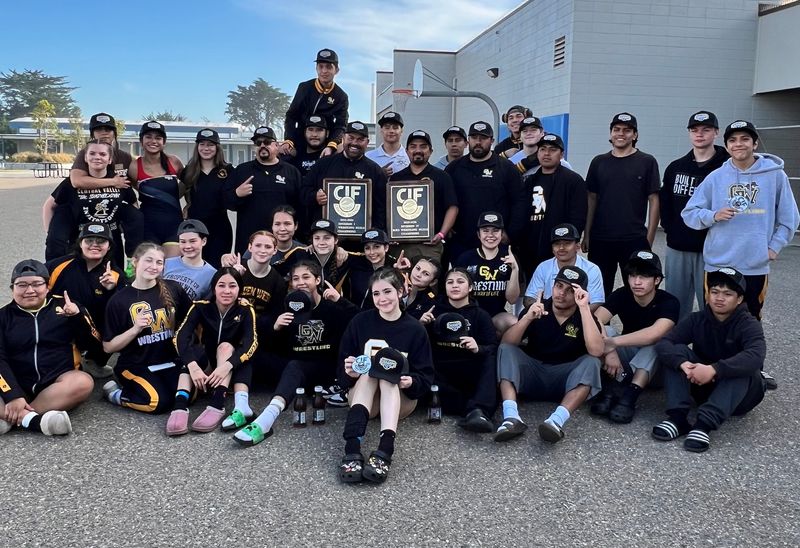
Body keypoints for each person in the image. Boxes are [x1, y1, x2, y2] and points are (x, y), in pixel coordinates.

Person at [682, 119, 800, 321]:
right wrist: (713, 216)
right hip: (718, 263)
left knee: (750, 320)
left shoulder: (775, 176)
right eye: (733, 140)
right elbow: (689, 213)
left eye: (745, 139)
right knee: (714, 319)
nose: (738, 144)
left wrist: (774, 247)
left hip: (754, 265)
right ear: (727, 146)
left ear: (755, 144)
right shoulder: (716, 177)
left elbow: (790, 218)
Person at [232, 260, 359, 445]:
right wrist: (275, 327)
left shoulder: (331, 307)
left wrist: (340, 300)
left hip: (323, 370)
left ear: (317, 280)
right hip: (292, 370)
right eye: (296, 278)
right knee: (248, 356)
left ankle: (267, 418)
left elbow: (362, 321)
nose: (301, 282)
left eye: (306, 277)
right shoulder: (288, 305)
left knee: (295, 366)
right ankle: (241, 406)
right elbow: (263, 339)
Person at [653, 268, 766, 453]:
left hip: (740, 397)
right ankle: (677, 418)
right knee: (677, 352)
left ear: (739, 299)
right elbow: (665, 343)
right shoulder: (696, 319)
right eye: (714, 292)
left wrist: (714, 369)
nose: (719, 298)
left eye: (727, 294)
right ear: (707, 295)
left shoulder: (749, 324)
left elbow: (756, 355)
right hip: (703, 387)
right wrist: (683, 364)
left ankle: (703, 425)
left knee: (746, 365)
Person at [338, 268, 434, 483]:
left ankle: (385, 448)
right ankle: (352, 447)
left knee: (387, 375)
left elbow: (426, 376)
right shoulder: (360, 322)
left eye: (387, 291)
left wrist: (411, 382)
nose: (382, 298)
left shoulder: (415, 329)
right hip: (367, 400)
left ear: (400, 291)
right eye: (376, 293)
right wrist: (349, 373)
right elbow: (342, 368)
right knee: (369, 373)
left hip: (400, 400)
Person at [495, 265, 603, 443]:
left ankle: (556, 421)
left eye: (570, 290)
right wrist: (527, 318)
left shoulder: (584, 315)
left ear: (580, 294)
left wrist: (584, 308)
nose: (562, 293)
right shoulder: (538, 308)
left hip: (565, 378)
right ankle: (511, 417)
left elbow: (597, 351)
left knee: (592, 362)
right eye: (559, 286)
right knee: (505, 350)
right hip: (534, 371)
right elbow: (507, 343)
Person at [0, 260, 97, 437]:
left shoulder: (67, 306)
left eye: (37, 284)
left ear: (47, 286)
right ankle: (33, 421)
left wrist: (77, 318)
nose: (30, 290)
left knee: (83, 382)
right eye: (22, 285)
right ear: (12, 288)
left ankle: (15, 417)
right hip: (16, 382)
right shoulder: (3, 316)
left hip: (56, 383)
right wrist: (12, 395)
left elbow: (93, 346)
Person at [101, 243, 191, 415]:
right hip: (136, 365)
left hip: (170, 361)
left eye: (159, 262)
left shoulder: (173, 288)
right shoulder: (119, 300)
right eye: (148, 260)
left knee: (187, 396)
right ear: (135, 262)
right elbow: (108, 347)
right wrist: (135, 329)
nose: (154, 266)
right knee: (157, 402)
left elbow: (192, 320)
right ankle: (115, 394)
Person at [591, 251, 679, 423]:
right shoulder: (622, 294)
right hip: (627, 361)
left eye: (644, 277)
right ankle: (613, 386)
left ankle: (630, 395)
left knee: (658, 343)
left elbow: (654, 333)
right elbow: (596, 320)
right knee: (605, 330)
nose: (637, 282)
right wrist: (610, 351)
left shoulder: (669, 301)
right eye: (633, 276)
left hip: (657, 371)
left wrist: (612, 343)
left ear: (657, 280)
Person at [170, 267, 258, 435]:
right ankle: (179, 406)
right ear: (214, 288)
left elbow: (251, 343)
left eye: (232, 286)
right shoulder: (200, 307)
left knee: (226, 347)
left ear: (239, 289)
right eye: (221, 285)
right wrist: (193, 367)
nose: (227, 291)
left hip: (230, 368)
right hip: (207, 365)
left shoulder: (245, 310)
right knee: (190, 353)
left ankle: (217, 404)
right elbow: (180, 337)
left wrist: (227, 366)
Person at [659, 111, 729, 321]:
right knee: (676, 304)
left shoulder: (727, 167)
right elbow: (665, 204)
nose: (700, 134)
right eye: (694, 130)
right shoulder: (676, 167)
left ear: (716, 132)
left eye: (706, 129)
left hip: (713, 249)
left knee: (713, 306)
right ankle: (677, 341)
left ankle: (709, 341)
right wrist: (671, 230)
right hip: (678, 246)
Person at [582, 113, 661, 296]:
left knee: (636, 291)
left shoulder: (647, 162)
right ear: (610, 133)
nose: (621, 134)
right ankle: (601, 317)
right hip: (601, 239)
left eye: (627, 130)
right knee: (598, 292)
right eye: (616, 129)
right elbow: (591, 198)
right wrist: (587, 233)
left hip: (633, 238)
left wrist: (649, 238)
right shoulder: (599, 162)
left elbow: (654, 199)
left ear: (635, 135)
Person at [44, 139, 142, 266]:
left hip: (110, 242)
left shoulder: (120, 181)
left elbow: (133, 205)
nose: (97, 157)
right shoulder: (72, 183)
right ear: (85, 157)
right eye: (92, 153)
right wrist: (51, 234)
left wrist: (128, 228)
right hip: (81, 243)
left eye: (102, 154)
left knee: (113, 277)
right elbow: (50, 206)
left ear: (110, 159)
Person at [221, 230, 287, 415]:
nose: (262, 250)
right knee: (242, 354)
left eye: (268, 246)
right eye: (258, 245)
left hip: (257, 334)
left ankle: (241, 396)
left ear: (275, 251)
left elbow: (273, 317)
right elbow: (216, 302)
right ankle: (235, 402)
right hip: (230, 332)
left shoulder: (277, 281)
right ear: (249, 247)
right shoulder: (237, 269)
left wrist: (260, 324)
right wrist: (234, 277)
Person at [46, 223, 125, 376]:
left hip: (92, 328)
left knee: (123, 321)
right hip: (59, 323)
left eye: (101, 241)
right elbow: (35, 290)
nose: (95, 245)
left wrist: (112, 290)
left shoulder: (115, 274)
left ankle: (94, 360)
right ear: (80, 243)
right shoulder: (58, 266)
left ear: (109, 246)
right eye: (89, 240)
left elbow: (124, 308)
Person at [425, 268, 498, 432]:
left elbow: (492, 346)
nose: (454, 286)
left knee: (490, 360)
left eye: (460, 282)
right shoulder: (433, 311)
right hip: (441, 370)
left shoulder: (480, 315)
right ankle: (470, 410)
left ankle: (478, 412)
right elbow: (419, 344)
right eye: (450, 282)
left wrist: (478, 348)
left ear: (470, 287)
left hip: (469, 369)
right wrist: (421, 325)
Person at [445, 122, 526, 260]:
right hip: (462, 242)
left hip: (496, 242)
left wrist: (510, 233)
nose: (478, 142)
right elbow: (443, 201)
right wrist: (447, 227)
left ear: (492, 141)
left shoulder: (506, 168)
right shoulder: (453, 169)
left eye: (483, 138)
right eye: (474, 138)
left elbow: (519, 203)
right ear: (468, 140)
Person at [517, 133, 587, 277]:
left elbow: (578, 216)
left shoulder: (573, 180)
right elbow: (522, 213)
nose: (547, 153)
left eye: (552, 150)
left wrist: (570, 242)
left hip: (561, 247)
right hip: (531, 249)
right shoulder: (530, 181)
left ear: (561, 154)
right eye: (543, 149)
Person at [225, 126, 303, 254]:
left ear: (276, 145)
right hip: (249, 243)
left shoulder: (291, 172)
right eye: (258, 143)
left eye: (267, 142)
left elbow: (300, 206)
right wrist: (237, 194)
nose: (262, 146)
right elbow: (227, 202)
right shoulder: (241, 170)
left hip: (282, 241)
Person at [302, 121, 389, 230]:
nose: (354, 143)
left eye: (360, 139)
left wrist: (375, 231)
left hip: (361, 236)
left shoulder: (375, 171)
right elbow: (303, 191)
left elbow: (381, 208)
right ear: (343, 138)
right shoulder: (323, 164)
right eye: (351, 138)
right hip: (326, 234)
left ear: (367, 142)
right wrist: (315, 196)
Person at [389, 130, 459, 263]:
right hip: (401, 245)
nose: (418, 150)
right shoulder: (396, 179)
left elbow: (452, 207)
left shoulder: (442, 177)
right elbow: (388, 210)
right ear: (407, 151)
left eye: (423, 146)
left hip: (430, 245)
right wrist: (391, 233)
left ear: (430, 151)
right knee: (399, 276)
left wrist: (441, 234)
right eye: (413, 146)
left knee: (429, 276)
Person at [453, 212, 521, 334]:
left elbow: (512, 300)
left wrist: (515, 269)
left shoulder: (508, 258)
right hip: (470, 314)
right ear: (478, 234)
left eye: (495, 230)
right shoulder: (466, 258)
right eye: (485, 231)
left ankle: (500, 346)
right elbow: (454, 293)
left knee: (515, 324)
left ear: (502, 234)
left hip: (496, 315)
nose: (490, 235)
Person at [180, 128, 234, 268]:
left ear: (217, 147)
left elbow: (233, 197)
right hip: (194, 228)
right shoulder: (188, 171)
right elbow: (177, 193)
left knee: (217, 268)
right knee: (194, 267)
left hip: (220, 228)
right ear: (197, 147)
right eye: (202, 144)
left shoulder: (228, 170)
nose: (206, 148)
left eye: (210, 145)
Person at [282, 48, 349, 158]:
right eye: (320, 66)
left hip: (325, 142)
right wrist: (288, 139)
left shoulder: (341, 96)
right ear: (316, 68)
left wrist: (332, 145)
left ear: (336, 70)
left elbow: (341, 125)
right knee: (284, 155)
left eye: (329, 67)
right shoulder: (304, 88)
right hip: (301, 138)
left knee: (341, 154)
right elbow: (291, 116)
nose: (324, 71)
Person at [128, 121, 185, 246]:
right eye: (148, 137)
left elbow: (189, 183)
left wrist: (188, 204)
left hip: (174, 225)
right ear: (141, 141)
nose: (153, 141)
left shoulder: (174, 161)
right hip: (148, 227)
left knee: (174, 259)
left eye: (158, 138)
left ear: (164, 142)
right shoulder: (134, 166)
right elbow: (129, 193)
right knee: (152, 259)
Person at [524, 223, 605, 311]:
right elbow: (529, 297)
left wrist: (573, 317)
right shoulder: (543, 267)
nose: (561, 248)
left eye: (567, 243)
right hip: (547, 313)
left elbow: (596, 302)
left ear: (577, 246)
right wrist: (540, 311)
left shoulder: (592, 269)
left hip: (580, 316)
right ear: (552, 248)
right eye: (557, 244)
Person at [274, 219, 352, 293]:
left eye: (327, 238)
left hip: (336, 302)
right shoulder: (300, 253)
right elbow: (275, 271)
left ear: (336, 240)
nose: (321, 242)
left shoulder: (346, 257)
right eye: (317, 238)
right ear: (312, 240)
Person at [163, 219, 217, 301]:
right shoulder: (167, 263)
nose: (187, 246)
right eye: (183, 242)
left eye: (192, 241)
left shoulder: (212, 274)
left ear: (204, 241)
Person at [346, 229, 397, 309]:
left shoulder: (394, 267)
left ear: (386, 247)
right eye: (367, 248)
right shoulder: (355, 265)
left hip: (387, 315)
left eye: (376, 247)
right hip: (357, 315)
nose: (372, 252)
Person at [366, 111, 409, 177]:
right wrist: (378, 174)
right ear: (381, 130)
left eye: (395, 128)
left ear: (402, 130)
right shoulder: (369, 156)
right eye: (387, 128)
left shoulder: (409, 156)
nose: (391, 131)